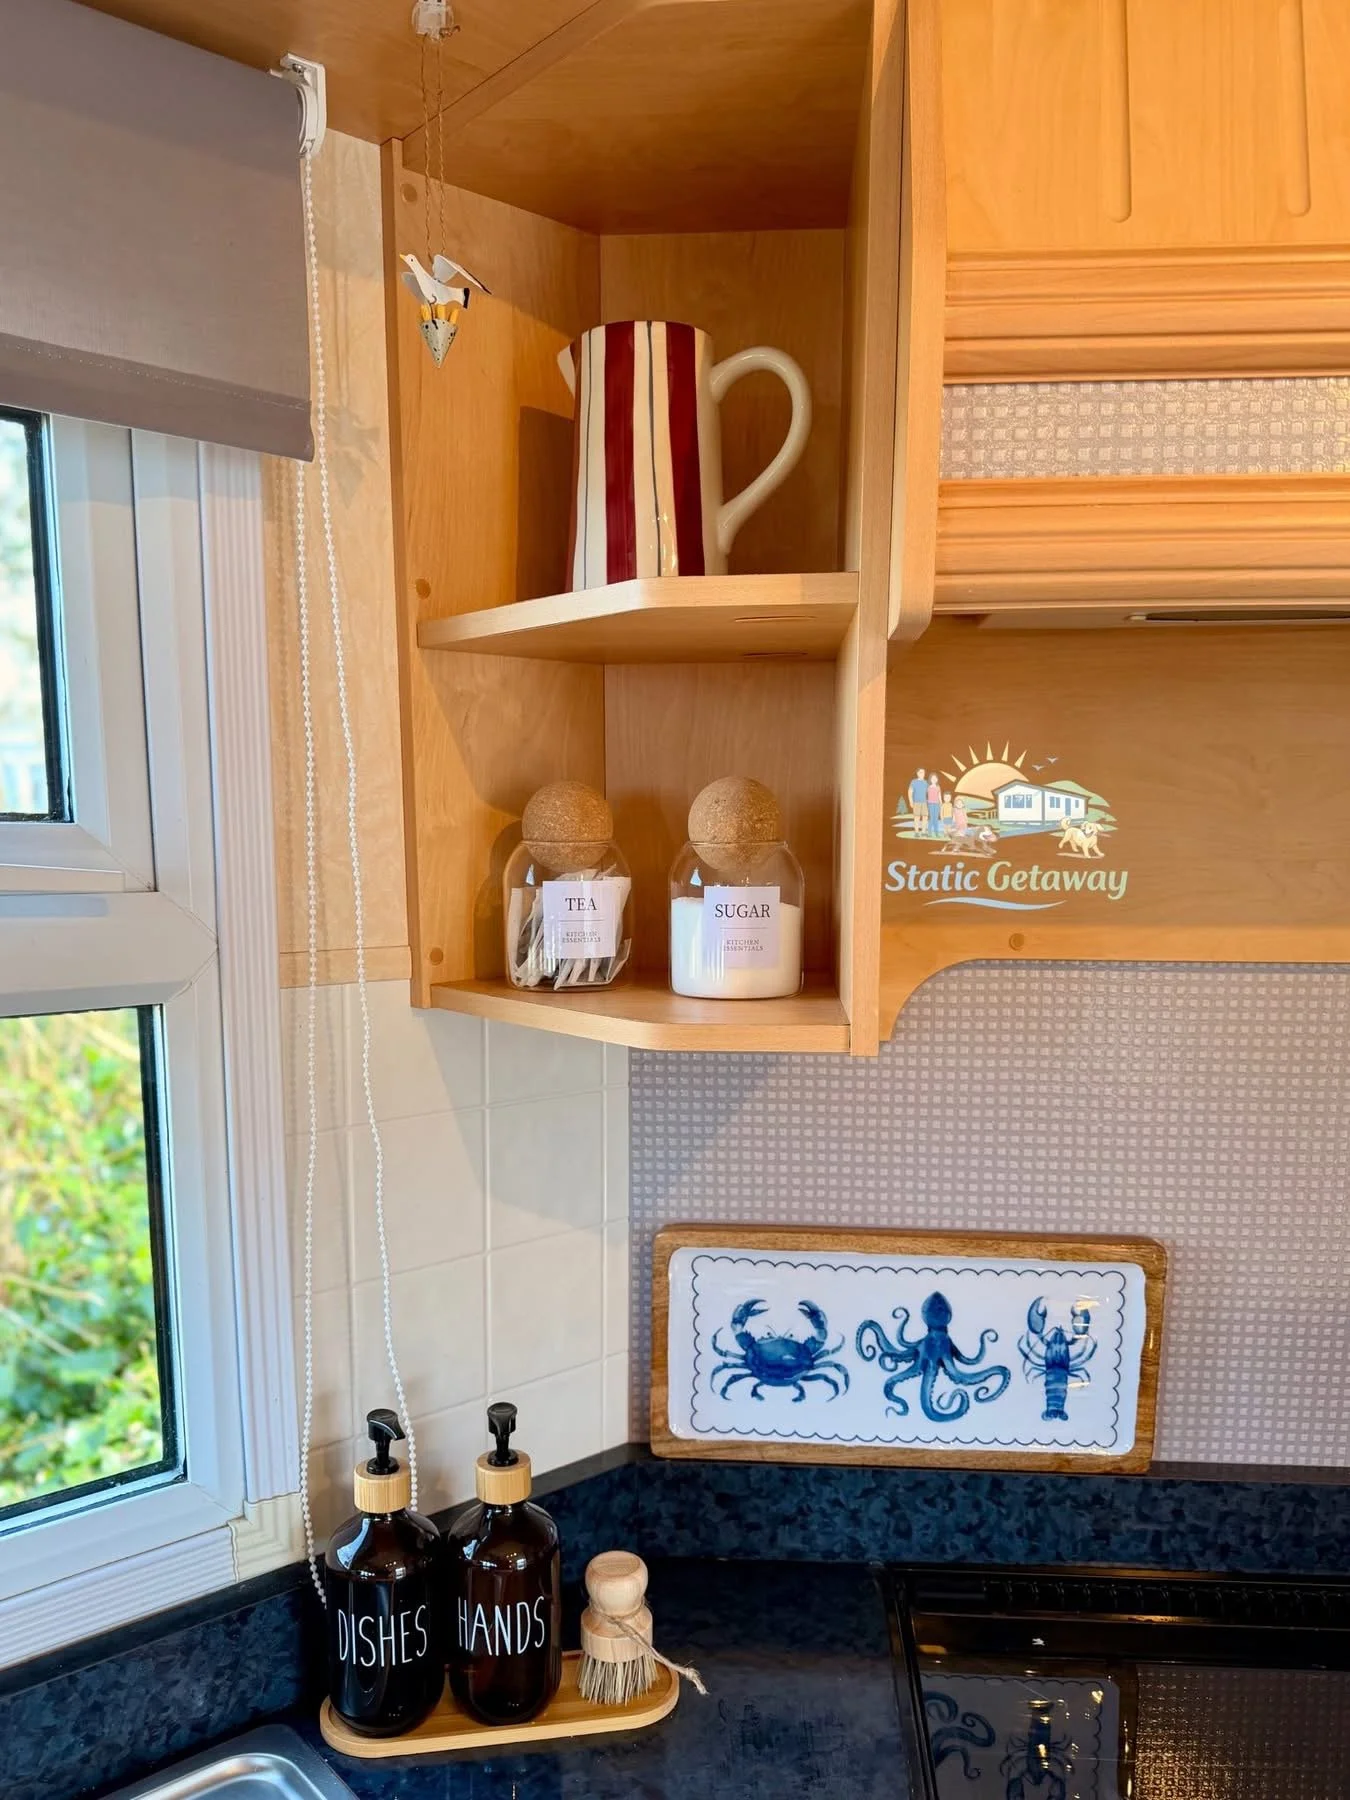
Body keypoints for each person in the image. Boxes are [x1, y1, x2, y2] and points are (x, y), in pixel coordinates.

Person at [908, 767, 928, 834]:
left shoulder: (926, 782)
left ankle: (923, 831)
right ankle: (916, 832)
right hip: (916, 803)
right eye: (921, 772)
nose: (923, 774)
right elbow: (910, 792)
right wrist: (911, 801)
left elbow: (929, 792)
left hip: (924, 803)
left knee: (925, 817)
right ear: (917, 773)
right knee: (917, 817)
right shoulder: (914, 782)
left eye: (924, 772)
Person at [926, 773, 942, 838]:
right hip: (930, 804)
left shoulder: (938, 787)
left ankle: (936, 833)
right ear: (930, 779)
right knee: (931, 818)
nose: (934, 779)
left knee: (936, 819)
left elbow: (939, 795)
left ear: (937, 779)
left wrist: (941, 803)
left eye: (935, 778)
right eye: (933, 778)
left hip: (937, 804)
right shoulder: (928, 787)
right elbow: (926, 795)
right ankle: (929, 833)